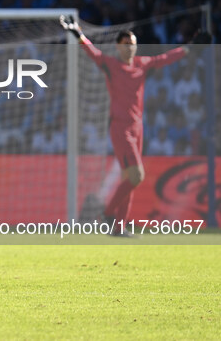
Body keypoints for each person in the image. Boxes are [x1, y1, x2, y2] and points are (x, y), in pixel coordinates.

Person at [60, 15, 188, 236]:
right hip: (121, 128)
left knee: (128, 179)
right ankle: (107, 215)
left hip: (138, 128)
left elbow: (166, 58)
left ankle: (118, 227)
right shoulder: (111, 65)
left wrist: (190, 48)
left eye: (132, 43)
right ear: (118, 47)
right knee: (137, 176)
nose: (130, 47)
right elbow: (93, 52)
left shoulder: (142, 64)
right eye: (125, 44)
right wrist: (79, 35)